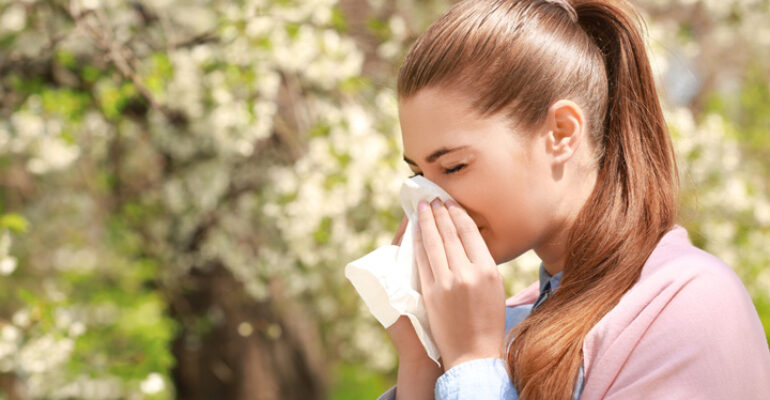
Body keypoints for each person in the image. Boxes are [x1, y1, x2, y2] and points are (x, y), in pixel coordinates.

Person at [373, 0, 770, 399]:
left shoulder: (687, 305)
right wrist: (422, 359)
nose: (430, 200)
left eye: (454, 166)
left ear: (561, 133)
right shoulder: (508, 322)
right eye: (418, 175)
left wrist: (471, 361)